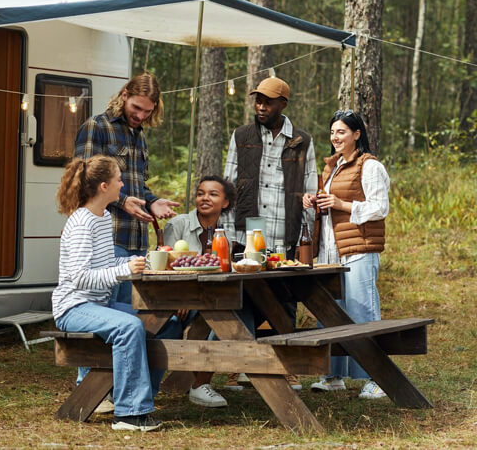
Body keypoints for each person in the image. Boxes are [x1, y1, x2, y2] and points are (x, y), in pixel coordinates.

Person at [52, 156, 182, 432]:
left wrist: (138, 262)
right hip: (73, 307)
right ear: (103, 186)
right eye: (118, 180)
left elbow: (105, 265)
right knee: (130, 327)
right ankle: (130, 415)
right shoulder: (81, 223)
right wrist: (122, 270)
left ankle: (136, 395)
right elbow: (79, 277)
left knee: (167, 323)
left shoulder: (103, 217)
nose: (122, 184)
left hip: (100, 304)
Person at [221, 76, 318, 391]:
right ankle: (241, 367)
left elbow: (310, 188)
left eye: (267, 101)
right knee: (244, 298)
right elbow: (229, 185)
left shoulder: (301, 140)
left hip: (286, 231)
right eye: (257, 101)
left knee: (285, 299)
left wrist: (308, 234)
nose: (260, 107)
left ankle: (284, 366)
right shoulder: (242, 136)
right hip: (251, 228)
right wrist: (226, 231)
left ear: (283, 104)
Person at [303, 110, 390, 399]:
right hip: (330, 252)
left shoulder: (370, 166)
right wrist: (314, 201)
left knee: (362, 311)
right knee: (330, 312)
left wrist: (341, 203)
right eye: (332, 132)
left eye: (341, 132)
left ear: (357, 134)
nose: (335, 137)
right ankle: (333, 376)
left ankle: (378, 378)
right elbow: (331, 207)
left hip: (358, 250)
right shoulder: (332, 167)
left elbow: (379, 207)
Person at [74, 72, 180, 305]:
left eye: (148, 111)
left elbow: (138, 185)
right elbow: (84, 180)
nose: (141, 115)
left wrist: (151, 201)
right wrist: (122, 202)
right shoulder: (97, 126)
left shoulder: (139, 135)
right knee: (114, 309)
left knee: (134, 308)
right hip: (108, 238)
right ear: (124, 95)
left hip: (137, 241)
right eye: (137, 108)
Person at [164, 175, 237, 408]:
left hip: (208, 300)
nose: (204, 198)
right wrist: (184, 296)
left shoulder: (226, 234)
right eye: (201, 193)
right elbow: (166, 266)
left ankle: (200, 382)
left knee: (236, 313)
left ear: (225, 203)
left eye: (213, 194)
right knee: (218, 314)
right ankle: (197, 382)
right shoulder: (178, 225)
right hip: (174, 299)